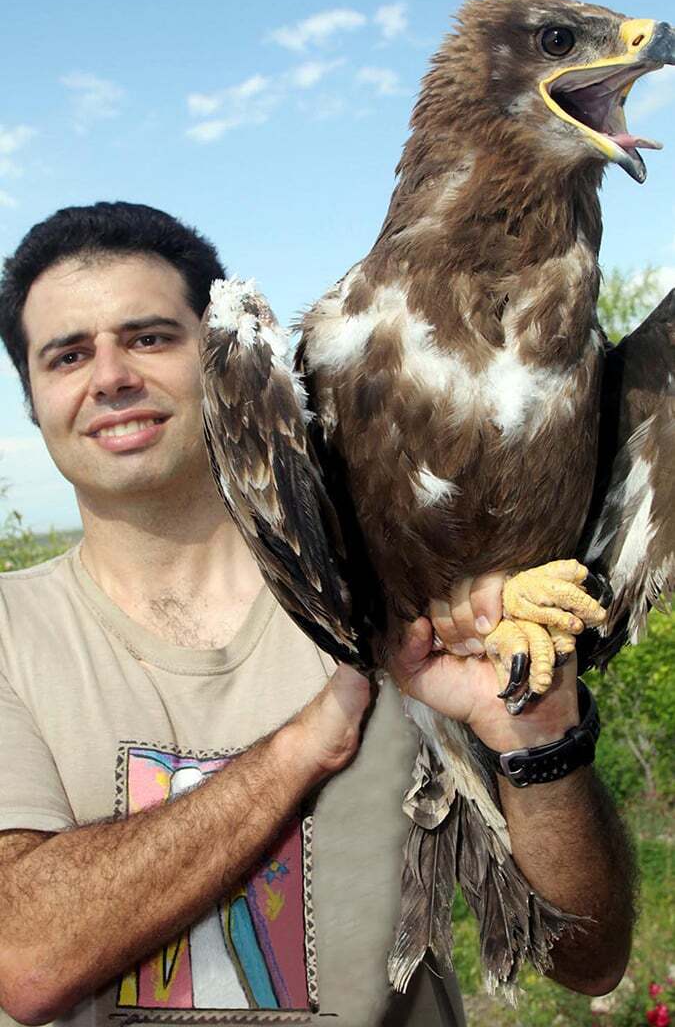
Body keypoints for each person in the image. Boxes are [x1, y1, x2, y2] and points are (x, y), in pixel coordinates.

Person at [0, 203, 634, 1027]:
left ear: (224, 354)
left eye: (150, 337)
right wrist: (307, 742)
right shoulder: (11, 634)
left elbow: (588, 959)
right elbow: (26, 957)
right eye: (68, 355)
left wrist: (540, 742)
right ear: (33, 399)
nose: (111, 376)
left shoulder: (400, 609)